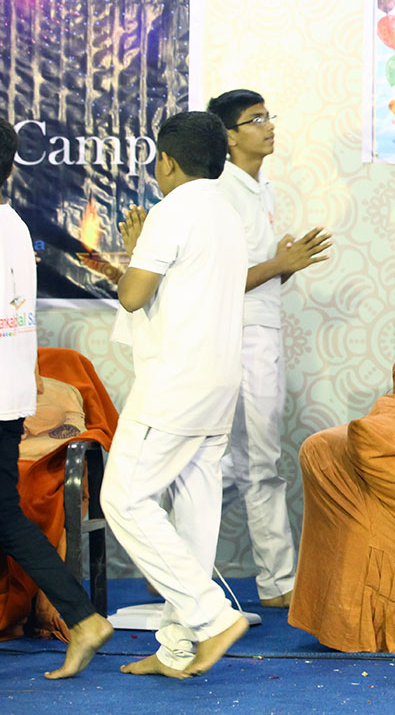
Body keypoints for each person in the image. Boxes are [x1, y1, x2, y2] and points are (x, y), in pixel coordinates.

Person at [100, 111, 250, 678]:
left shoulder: (172, 210)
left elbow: (133, 296)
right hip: (218, 381)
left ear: (165, 161)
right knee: (194, 510)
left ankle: (211, 617)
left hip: (176, 383)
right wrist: (145, 249)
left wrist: (136, 249)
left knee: (124, 499)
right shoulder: (228, 213)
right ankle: (179, 646)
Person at [205, 89, 332, 608]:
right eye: (256, 120)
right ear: (229, 137)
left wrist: (285, 265)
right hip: (236, 335)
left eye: (268, 116)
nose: (269, 126)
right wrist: (281, 264)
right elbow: (216, 279)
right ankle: (278, 581)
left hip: (261, 330)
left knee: (240, 464)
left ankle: (169, 557)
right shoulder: (221, 193)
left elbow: (260, 274)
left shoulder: (263, 189)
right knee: (257, 463)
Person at [0, 116, 113, 679]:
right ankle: (82, 616)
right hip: (10, 392)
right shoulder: (14, 225)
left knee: (5, 513)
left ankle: (83, 616)